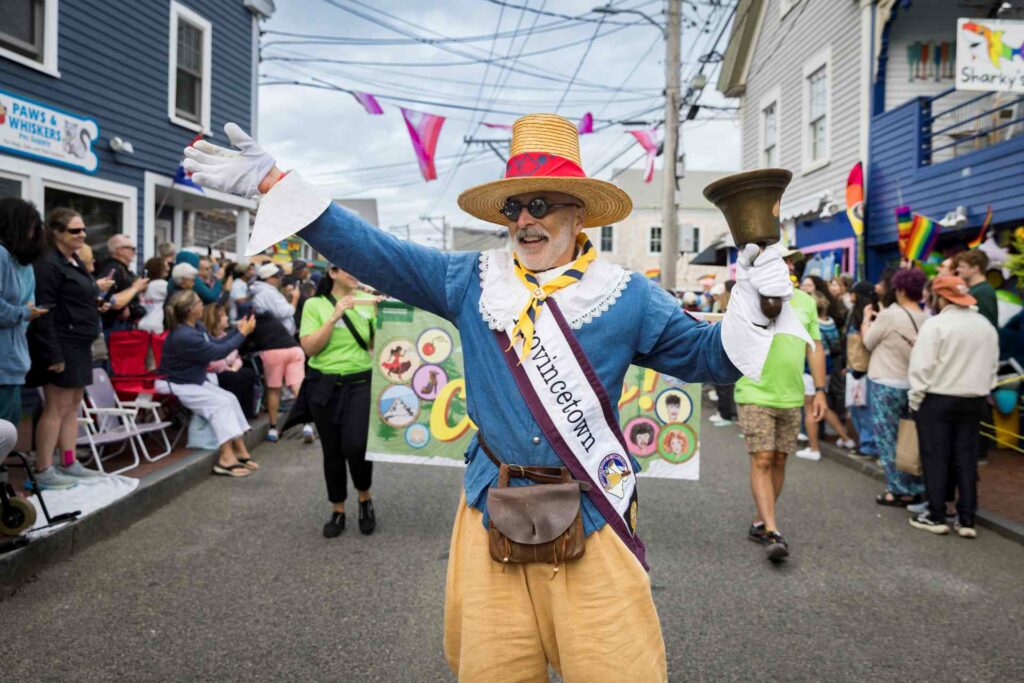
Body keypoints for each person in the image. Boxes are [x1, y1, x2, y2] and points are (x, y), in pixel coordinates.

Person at [184, 115, 805, 680]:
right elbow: (374, 250)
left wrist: (753, 301)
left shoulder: (627, 295)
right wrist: (275, 182)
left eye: (540, 204)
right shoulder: (471, 281)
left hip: (593, 510)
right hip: (490, 506)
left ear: (578, 215)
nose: (524, 220)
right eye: (514, 207)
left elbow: (709, 358)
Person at [735, 282, 823, 561]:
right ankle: (773, 531)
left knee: (780, 459)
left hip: (792, 395)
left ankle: (761, 521)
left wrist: (820, 390)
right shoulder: (747, 297)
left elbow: (815, 347)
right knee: (762, 458)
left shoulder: (806, 302)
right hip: (753, 390)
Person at [908, 276, 999, 537]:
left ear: (941, 297)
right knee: (966, 458)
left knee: (935, 457)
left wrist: (915, 399)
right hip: (974, 398)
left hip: (938, 397)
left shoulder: (935, 324)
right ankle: (967, 517)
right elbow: (992, 365)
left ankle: (936, 514)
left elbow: (922, 367)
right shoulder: (985, 326)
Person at [27, 208, 108, 488]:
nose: (82, 235)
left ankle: (69, 461)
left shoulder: (73, 261)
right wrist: (53, 354)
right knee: (56, 406)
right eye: (75, 230)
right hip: (62, 343)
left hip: (80, 342)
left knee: (73, 406)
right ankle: (44, 469)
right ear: (57, 233)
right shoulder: (48, 264)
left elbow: (77, 295)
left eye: (83, 229)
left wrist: (96, 301)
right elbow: (44, 310)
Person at [299, 266, 378, 537]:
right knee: (332, 450)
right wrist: (334, 317)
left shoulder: (367, 303)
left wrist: (386, 312)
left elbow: (379, 343)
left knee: (356, 445)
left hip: (360, 382)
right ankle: (338, 509)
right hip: (324, 385)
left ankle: (365, 498)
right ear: (332, 272)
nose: (355, 271)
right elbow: (310, 348)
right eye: (347, 266)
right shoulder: (314, 304)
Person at [157, 290, 258, 477]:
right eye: (198, 302)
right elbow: (216, 353)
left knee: (229, 398)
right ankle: (226, 458)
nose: (202, 305)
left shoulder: (196, 327)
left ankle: (239, 450)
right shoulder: (184, 335)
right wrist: (242, 334)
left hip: (191, 381)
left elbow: (216, 344)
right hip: (176, 383)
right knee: (220, 404)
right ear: (189, 310)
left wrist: (238, 331)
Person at [861, 268, 929, 507]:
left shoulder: (890, 314)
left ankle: (898, 489)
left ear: (899, 289)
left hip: (886, 382)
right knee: (910, 437)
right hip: (912, 384)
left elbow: (868, 343)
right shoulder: (925, 317)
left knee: (888, 439)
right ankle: (915, 485)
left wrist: (865, 321)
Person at [0, 198, 47, 428]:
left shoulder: (25, 265)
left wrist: (25, 314)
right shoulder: (0, 255)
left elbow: (30, 307)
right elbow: (24, 311)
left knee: (9, 429)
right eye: (29, 226)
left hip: (14, 362)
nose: (33, 233)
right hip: (4, 363)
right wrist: (21, 313)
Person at [796, 292, 855, 460]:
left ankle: (814, 448)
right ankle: (845, 438)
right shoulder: (830, 323)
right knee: (823, 407)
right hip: (826, 371)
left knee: (810, 410)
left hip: (810, 371)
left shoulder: (810, 326)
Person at [239, 297, 307, 442]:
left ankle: (273, 428)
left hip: (273, 353)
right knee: (298, 388)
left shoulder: (251, 324)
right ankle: (307, 424)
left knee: (274, 389)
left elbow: (243, 345)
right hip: (295, 350)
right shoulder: (272, 320)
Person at [202, 303, 260, 418]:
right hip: (214, 374)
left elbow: (237, 357)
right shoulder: (207, 338)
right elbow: (214, 362)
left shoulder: (225, 335)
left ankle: (245, 413)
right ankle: (233, 414)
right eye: (223, 316)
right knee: (232, 377)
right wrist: (229, 367)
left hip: (231, 370)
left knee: (248, 373)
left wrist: (234, 367)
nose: (227, 318)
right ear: (216, 319)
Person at [845, 281, 879, 459]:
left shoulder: (870, 314)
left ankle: (869, 446)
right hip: (854, 368)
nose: (850, 295)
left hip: (865, 370)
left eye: (853, 292)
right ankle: (865, 443)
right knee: (857, 407)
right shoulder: (854, 313)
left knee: (865, 409)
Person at [97, 234, 149, 334]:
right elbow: (103, 298)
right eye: (132, 249)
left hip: (124, 324)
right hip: (115, 325)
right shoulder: (113, 270)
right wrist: (120, 310)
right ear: (120, 250)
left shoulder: (123, 269)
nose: (135, 252)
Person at [709, 280, 737, 426]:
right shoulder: (733, 306)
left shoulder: (729, 307)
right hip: (729, 350)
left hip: (724, 349)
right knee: (727, 384)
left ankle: (725, 413)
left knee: (723, 384)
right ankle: (728, 412)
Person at [954, 250, 998, 328]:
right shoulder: (976, 289)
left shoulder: (983, 292)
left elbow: (987, 323)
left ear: (975, 268)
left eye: (962, 266)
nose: (958, 270)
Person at [250, 263, 298, 335]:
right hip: (279, 334)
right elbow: (284, 312)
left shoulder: (266, 290)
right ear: (269, 278)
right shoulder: (268, 293)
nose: (280, 278)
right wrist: (295, 298)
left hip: (276, 332)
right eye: (277, 276)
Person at [138, 257, 170, 334]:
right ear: (157, 269)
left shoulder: (144, 284)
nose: (168, 269)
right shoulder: (161, 284)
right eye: (165, 266)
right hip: (156, 326)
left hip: (142, 324)